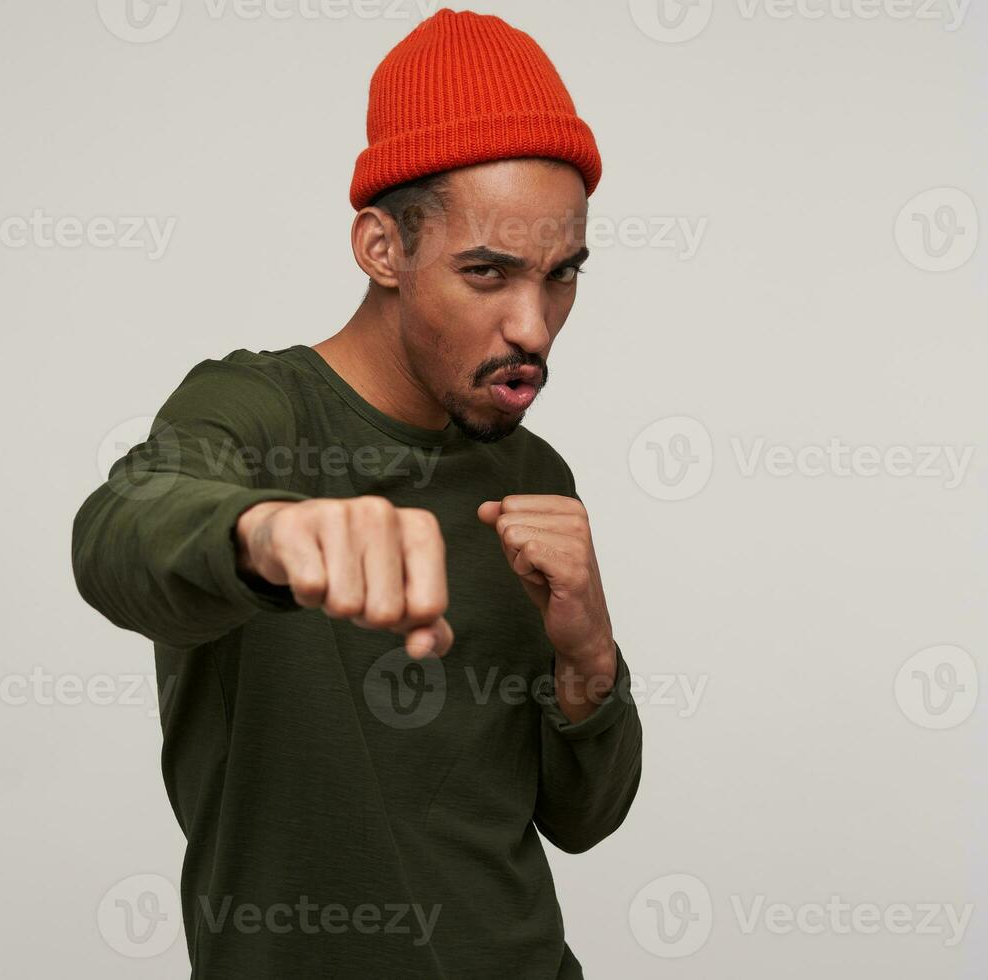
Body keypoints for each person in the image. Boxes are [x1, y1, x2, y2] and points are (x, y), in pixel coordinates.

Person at [71, 9, 642, 977]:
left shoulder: (534, 475)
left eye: (560, 277)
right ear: (382, 247)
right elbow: (116, 532)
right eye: (488, 273)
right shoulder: (254, 412)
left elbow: (581, 818)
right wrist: (265, 533)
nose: (535, 327)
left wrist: (588, 655)